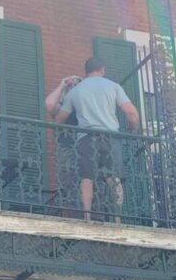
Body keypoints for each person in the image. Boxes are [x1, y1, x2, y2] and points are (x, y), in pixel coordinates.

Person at [46, 57, 140, 221]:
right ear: (102, 70)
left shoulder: (76, 91)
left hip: (87, 138)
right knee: (114, 178)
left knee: (87, 178)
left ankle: (87, 215)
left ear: (86, 72)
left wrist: (60, 128)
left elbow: (59, 119)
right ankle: (117, 217)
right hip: (111, 137)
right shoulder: (114, 87)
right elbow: (131, 112)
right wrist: (133, 129)